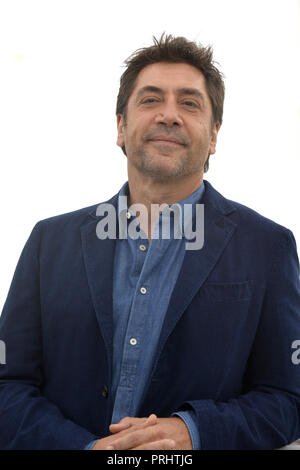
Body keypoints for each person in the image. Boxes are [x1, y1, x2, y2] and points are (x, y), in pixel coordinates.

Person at [0, 33, 299, 450]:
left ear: (213, 136)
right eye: (150, 99)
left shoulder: (269, 247)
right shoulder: (48, 242)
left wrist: (195, 431)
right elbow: (8, 384)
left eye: (190, 103)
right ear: (121, 127)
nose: (169, 115)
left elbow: (288, 398)